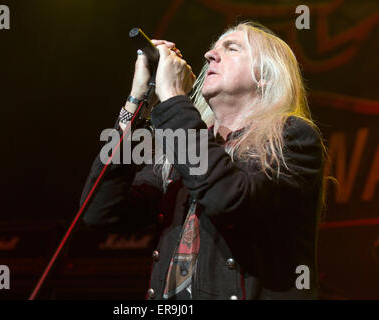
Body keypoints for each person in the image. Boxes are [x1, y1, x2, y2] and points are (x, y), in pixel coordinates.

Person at [80, 21, 326, 300]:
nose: (210, 55)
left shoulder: (292, 137)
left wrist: (173, 96)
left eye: (231, 48)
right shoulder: (180, 148)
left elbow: (228, 197)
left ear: (265, 76)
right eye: (212, 49)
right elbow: (100, 210)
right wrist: (135, 103)